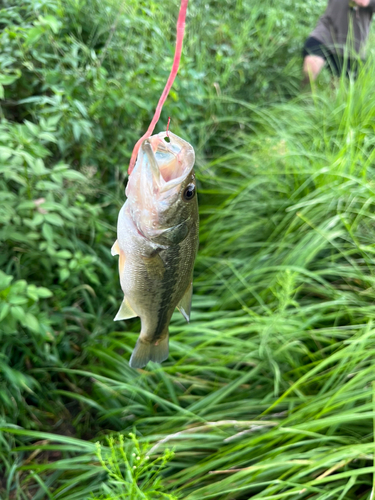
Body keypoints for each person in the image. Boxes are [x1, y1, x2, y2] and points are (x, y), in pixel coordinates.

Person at [303, 0, 375, 82]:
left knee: (338, 87)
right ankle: (305, 93)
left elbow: (363, 2)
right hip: (327, 29)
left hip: (352, 43)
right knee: (310, 68)